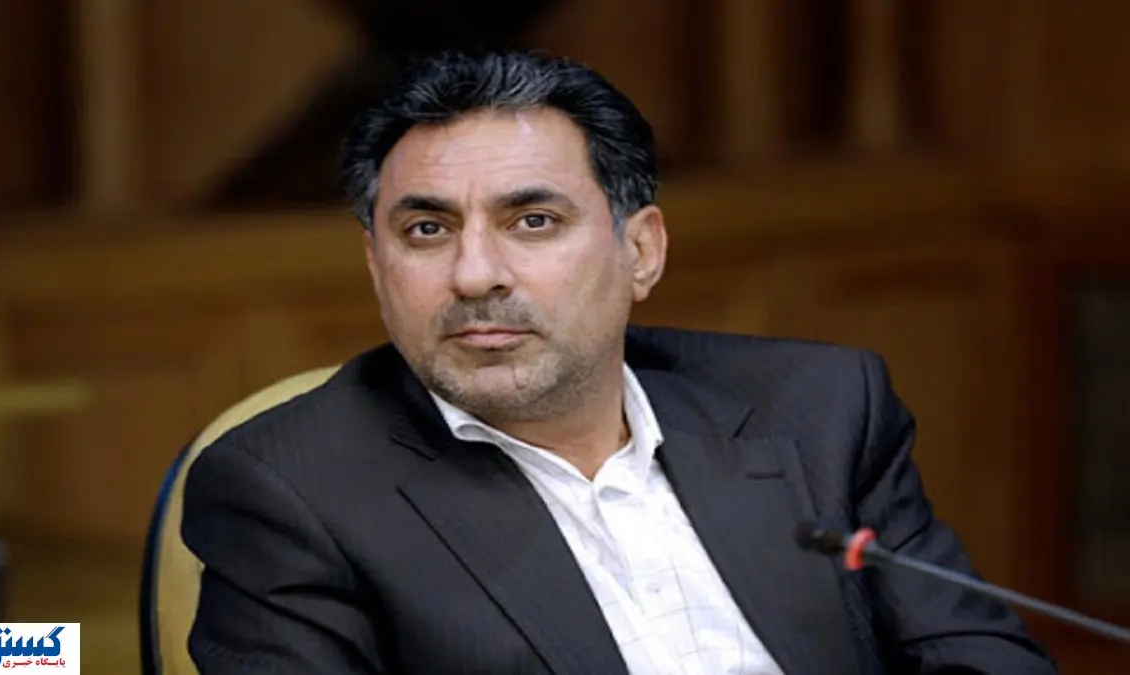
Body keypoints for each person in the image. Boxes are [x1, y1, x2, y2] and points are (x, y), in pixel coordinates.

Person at [180, 50, 1058, 674]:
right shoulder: (288, 490)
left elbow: (980, 657)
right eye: (426, 229)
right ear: (377, 266)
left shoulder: (820, 408)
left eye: (533, 221)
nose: (475, 273)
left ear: (641, 251)